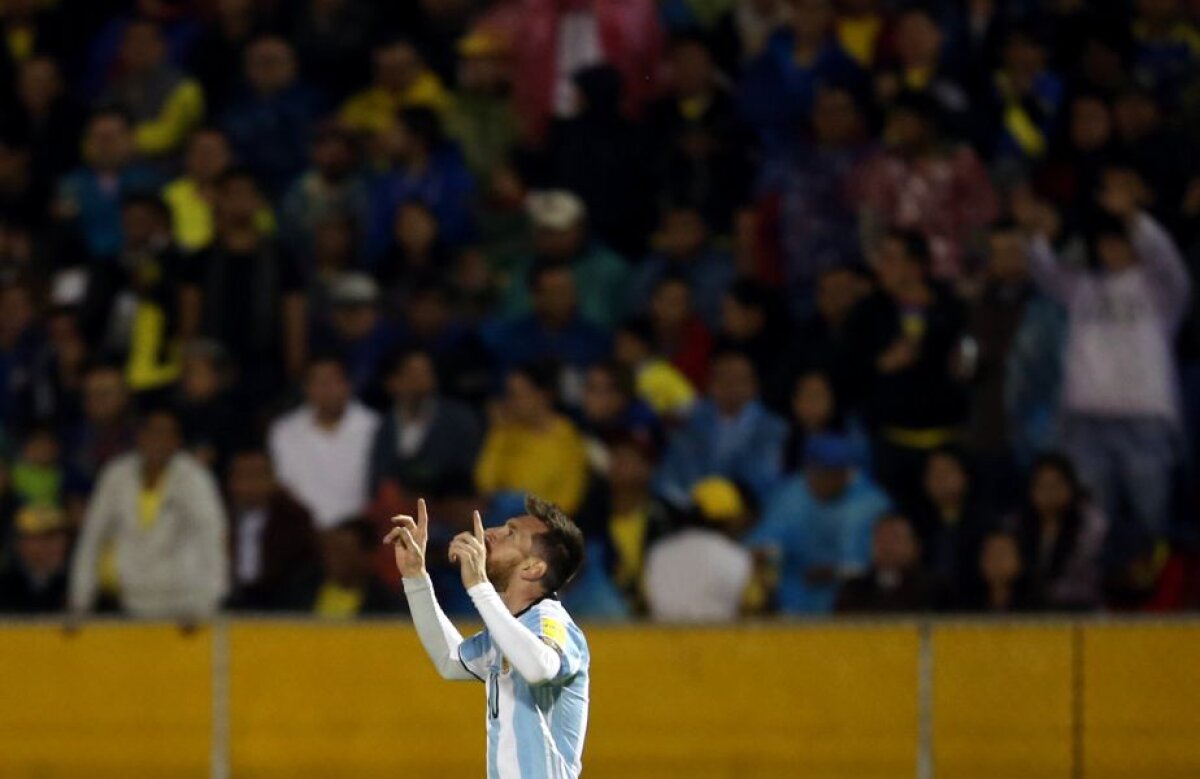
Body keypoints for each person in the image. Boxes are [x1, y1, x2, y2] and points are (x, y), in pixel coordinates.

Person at [1018, 173, 1191, 541]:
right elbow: (1044, 273)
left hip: (1143, 422)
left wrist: (1133, 217)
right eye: (1105, 244)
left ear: (1133, 246)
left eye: (1119, 242)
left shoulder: (1162, 290)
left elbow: (1166, 257)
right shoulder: (1083, 288)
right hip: (1086, 422)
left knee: (1152, 524)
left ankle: (1160, 595)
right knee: (1090, 527)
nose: (1111, 250)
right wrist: (1040, 236)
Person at [387, 496, 589, 779]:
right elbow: (450, 660)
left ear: (532, 568)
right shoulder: (507, 632)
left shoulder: (552, 622)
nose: (491, 532)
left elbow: (539, 667)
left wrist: (479, 587)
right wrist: (416, 578)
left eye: (511, 533)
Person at [68, 408, 228, 621]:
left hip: (184, 605)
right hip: (127, 602)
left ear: (177, 441)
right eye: (152, 433)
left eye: (166, 434)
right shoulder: (116, 476)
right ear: (140, 436)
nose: (158, 441)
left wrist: (209, 601)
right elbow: (93, 536)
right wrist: (80, 598)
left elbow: (212, 539)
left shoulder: (195, 479)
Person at [747, 434, 890, 614]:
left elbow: (884, 563)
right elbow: (764, 542)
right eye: (815, 472)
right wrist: (766, 554)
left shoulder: (871, 504)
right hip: (792, 603)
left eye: (830, 474)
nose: (821, 480)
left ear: (845, 473)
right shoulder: (789, 495)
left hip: (855, 606)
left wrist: (836, 572)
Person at [655, 349, 788, 506]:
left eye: (739, 380)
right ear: (711, 385)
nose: (730, 386)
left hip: (745, 513)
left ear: (754, 386)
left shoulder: (772, 428)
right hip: (690, 510)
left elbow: (763, 481)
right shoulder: (691, 422)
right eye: (723, 378)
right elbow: (670, 475)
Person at [268, 356, 380, 531]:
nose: (327, 389)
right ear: (306, 388)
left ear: (348, 385)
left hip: (360, 534)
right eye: (319, 382)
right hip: (305, 533)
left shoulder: (373, 427)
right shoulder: (285, 431)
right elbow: (285, 484)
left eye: (333, 381)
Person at [475, 362, 588, 514]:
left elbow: (569, 497)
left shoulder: (566, 436)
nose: (510, 402)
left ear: (542, 396)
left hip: (547, 523)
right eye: (508, 395)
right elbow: (484, 482)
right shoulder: (505, 431)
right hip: (502, 519)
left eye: (516, 395)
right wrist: (498, 431)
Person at [369, 348, 482, 498]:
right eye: (413, 374)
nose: (421, 380)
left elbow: (464, 473)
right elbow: (381, 474)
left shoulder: (459, 420)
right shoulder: (385, 424)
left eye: (425, 373)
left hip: (446, 507)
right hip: (397, 509)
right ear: (393, 382)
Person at [643, 477, 754, 622]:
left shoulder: (660, 551)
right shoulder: (736, 556)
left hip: (661, 641)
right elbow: (751, 606)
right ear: (730, 518)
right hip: (719, 641)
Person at [1007, 453, 1107, 611]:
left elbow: (1082, 574)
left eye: (1056, 484)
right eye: (1042, 485)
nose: (1049, 493)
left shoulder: (1090, 522)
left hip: (1081, 607)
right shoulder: (1018, 523)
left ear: (1071, 486)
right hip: (1030, 609)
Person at [224, 448, 320, 611]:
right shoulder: (219, 517)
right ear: (232, 482)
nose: (250, 484)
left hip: (279, 603)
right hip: (230, 600)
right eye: (243, 476)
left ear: (273, 480)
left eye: (257, 476)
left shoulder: (294, 520)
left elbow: (303, 573)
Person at [835, 514, 944, 614]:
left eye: (895, 539)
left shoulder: (935, 590)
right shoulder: (853, 590)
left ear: (916, 547)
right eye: (881, 539)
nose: (887, 547)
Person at [305, 516, 401, 618]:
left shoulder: (387, 606)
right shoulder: (303, 590)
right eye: (330, 551)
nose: (332, 559)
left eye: (343, 552)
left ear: (367, 556)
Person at [0, 505, 70, 613]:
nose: (58, 544)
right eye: (47, 537)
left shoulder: (77, 582)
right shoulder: (6, 586)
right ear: (21, 543)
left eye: (61, 536)